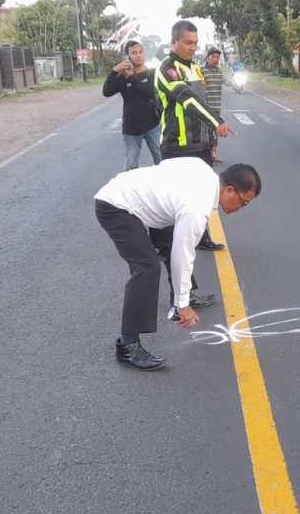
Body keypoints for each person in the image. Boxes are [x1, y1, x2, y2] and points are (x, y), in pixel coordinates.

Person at [94, 160, 261, 370]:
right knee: (146, 268)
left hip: (135, 199)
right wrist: (184, 307)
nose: (241, 208)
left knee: (170, 242)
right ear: (229, 189)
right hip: (116, 206)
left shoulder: (204, 170)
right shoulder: (196, 209)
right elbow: (183, 254)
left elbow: (166, 164)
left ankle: (182, 297)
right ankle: (128, 345)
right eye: (243, 202)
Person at [155, 19, 233, 252]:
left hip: (200, 143)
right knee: (171, 198)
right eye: (188, 42)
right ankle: (162, 244)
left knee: (202, 194)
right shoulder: (167, 69)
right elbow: (188, 100)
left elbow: (205, 102)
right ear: (174, 42)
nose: (192, 47)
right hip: (176, 144)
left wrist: (212, 140)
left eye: (195, 43)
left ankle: (201, 236)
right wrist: (216, 121)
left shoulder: (196, 68)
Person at [103, 40, 161, 170]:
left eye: (140, 52)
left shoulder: (152, 74)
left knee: (161, 159)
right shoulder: (122, 77)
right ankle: (129, 190)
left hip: (152, 125)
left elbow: (150, 92)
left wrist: (131, 78)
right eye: (134, 53)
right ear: (128, 57)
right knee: (131, 165)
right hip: (131, 128)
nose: (138, 55)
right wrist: (113, 71)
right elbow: (106, 92)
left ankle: (163, 188)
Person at [202, 47, 224, 163]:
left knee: (214, 131)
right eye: (213, 57)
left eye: (217, 57)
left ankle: (213, 155)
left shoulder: (219, 71)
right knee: (206, 132)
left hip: (216, 107)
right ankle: (209, 155)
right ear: (207, 57)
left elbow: (226, 81)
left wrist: (236, 86)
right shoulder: (201, 70)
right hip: (205, 108)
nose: (215, 60)